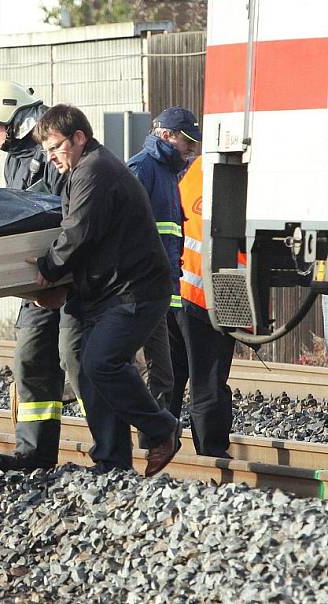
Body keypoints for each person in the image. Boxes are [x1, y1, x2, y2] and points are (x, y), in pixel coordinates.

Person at [30, 104, 181, 477]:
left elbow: (77, 232)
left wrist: (47, 270)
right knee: (82, 364)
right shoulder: (82, 170)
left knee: (103, 362)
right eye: (46, 152)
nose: (51, 159)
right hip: (103, 291)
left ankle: (162, 428)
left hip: (134, 291)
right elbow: (89, 237)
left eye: (55, 148)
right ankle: (112, 459)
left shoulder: (94, 171)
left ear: (78, 138)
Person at [0, 81, 84, 472]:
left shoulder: (53, 149)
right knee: (31, 359)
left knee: (79, 359)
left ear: (15, 117)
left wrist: (57, 271)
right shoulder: (15, 160)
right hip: (37, 280)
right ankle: (35, 452)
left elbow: (68, 217)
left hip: (70, 277)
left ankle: (111, 447)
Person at [126, 106, 201, 448]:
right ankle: (152, 447)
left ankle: (154, 448)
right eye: (187, 142)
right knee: (149, 373)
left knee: (162, 377)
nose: (191, 150)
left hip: (160, 294)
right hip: (140, 292)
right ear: (166, 135)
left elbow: (170, 241)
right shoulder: (143, 168)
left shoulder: (169, 174)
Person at [173, 156, 238, 458]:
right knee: (208, 381)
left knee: (170, 376)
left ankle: (159, 446)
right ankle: (211, 453)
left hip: (176, 289)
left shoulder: (196, 167)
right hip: (212, 294)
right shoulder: (241, 173)